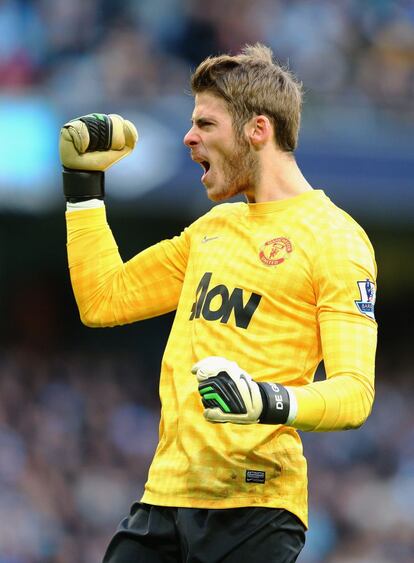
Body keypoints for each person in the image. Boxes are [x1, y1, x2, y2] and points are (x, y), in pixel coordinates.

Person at [59, 44, 377, 563]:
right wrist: (84, 188)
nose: (189, 138)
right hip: (162, 501)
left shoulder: (337, 240)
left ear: (257, 130)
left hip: (254, 509)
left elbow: (354, 395)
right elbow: (103, 299)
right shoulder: (213, 228)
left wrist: (267, 400)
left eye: (205, 124)